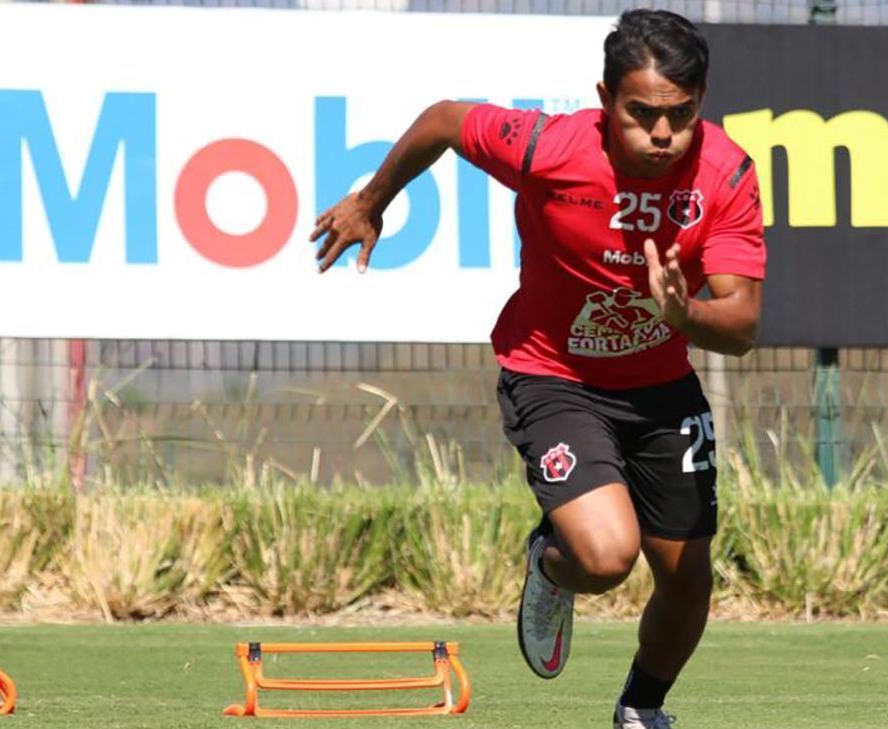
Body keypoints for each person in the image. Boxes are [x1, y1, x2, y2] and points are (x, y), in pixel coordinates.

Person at [312, 9, 765, 728]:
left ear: (701, 102)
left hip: (660, 390)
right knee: (606, 556)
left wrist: (685, 315)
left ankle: (640, 710)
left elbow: (740, 325)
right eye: (640, 113)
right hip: (554, 377)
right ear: (604, 98)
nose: (659, 134)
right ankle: (550, 563)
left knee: (686, 580)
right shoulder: (550, 145)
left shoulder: (727, 173)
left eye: (679, 115)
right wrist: (372, 202)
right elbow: (442, 121)